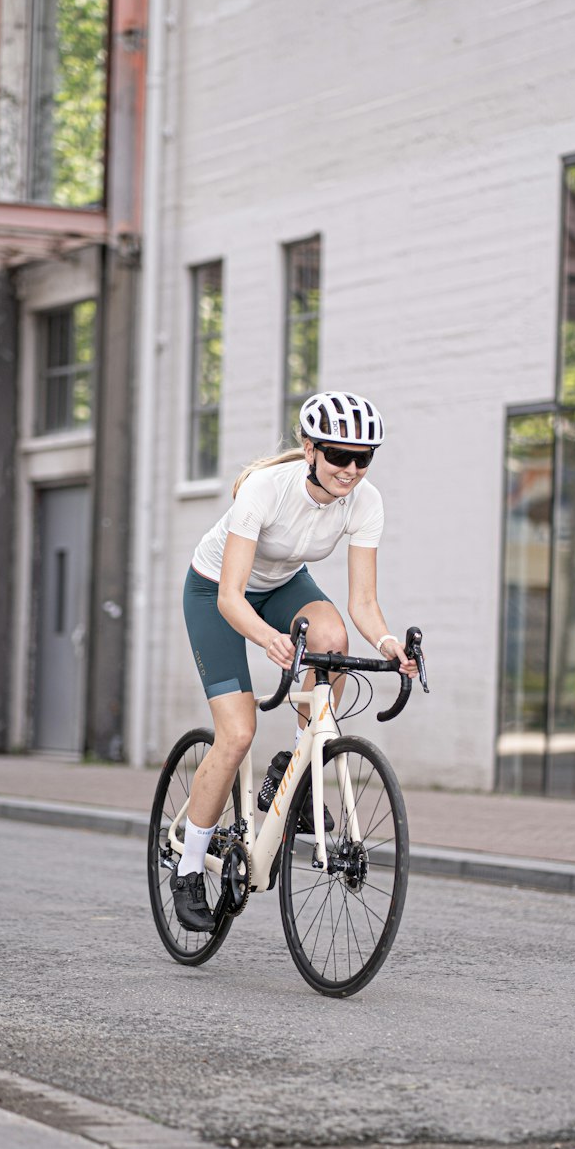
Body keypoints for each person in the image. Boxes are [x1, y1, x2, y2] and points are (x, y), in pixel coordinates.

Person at [173, 390, 417, 933]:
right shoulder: (265, 490)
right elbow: (231, 598)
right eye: (338, 455)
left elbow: (362, 605)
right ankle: (188, 866)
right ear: (310, 449)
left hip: (283, 584)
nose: (351, 470)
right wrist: (267, 640)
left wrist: (386, 644)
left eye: (364, 458)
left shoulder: (365, 501)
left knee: (331, 635)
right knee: (236, 735)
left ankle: (296, 766)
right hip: (217, 590)